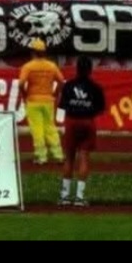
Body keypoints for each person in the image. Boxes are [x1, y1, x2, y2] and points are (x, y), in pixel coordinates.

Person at [57, 56, 106, 207]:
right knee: (84, 157)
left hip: (72, 121)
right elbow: (101, 108)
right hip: (88, 122)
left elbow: (62, 105)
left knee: (69, 158)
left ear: (77, 69)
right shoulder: (96, 87)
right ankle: (79, 197)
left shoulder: (68, 85)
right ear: (90, 70)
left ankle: (65, 196)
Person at [19, 38, 65, 165]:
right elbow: (61, 81)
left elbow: (21, 83)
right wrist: (56, 93)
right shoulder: (51, 66)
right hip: (48, 100)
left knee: (37, 129)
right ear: (44, 52)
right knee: (50, 127)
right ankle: (58, 155)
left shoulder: (28, 66)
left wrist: (24, 94)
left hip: (33, 100)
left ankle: (41, 157)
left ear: (33, 52)